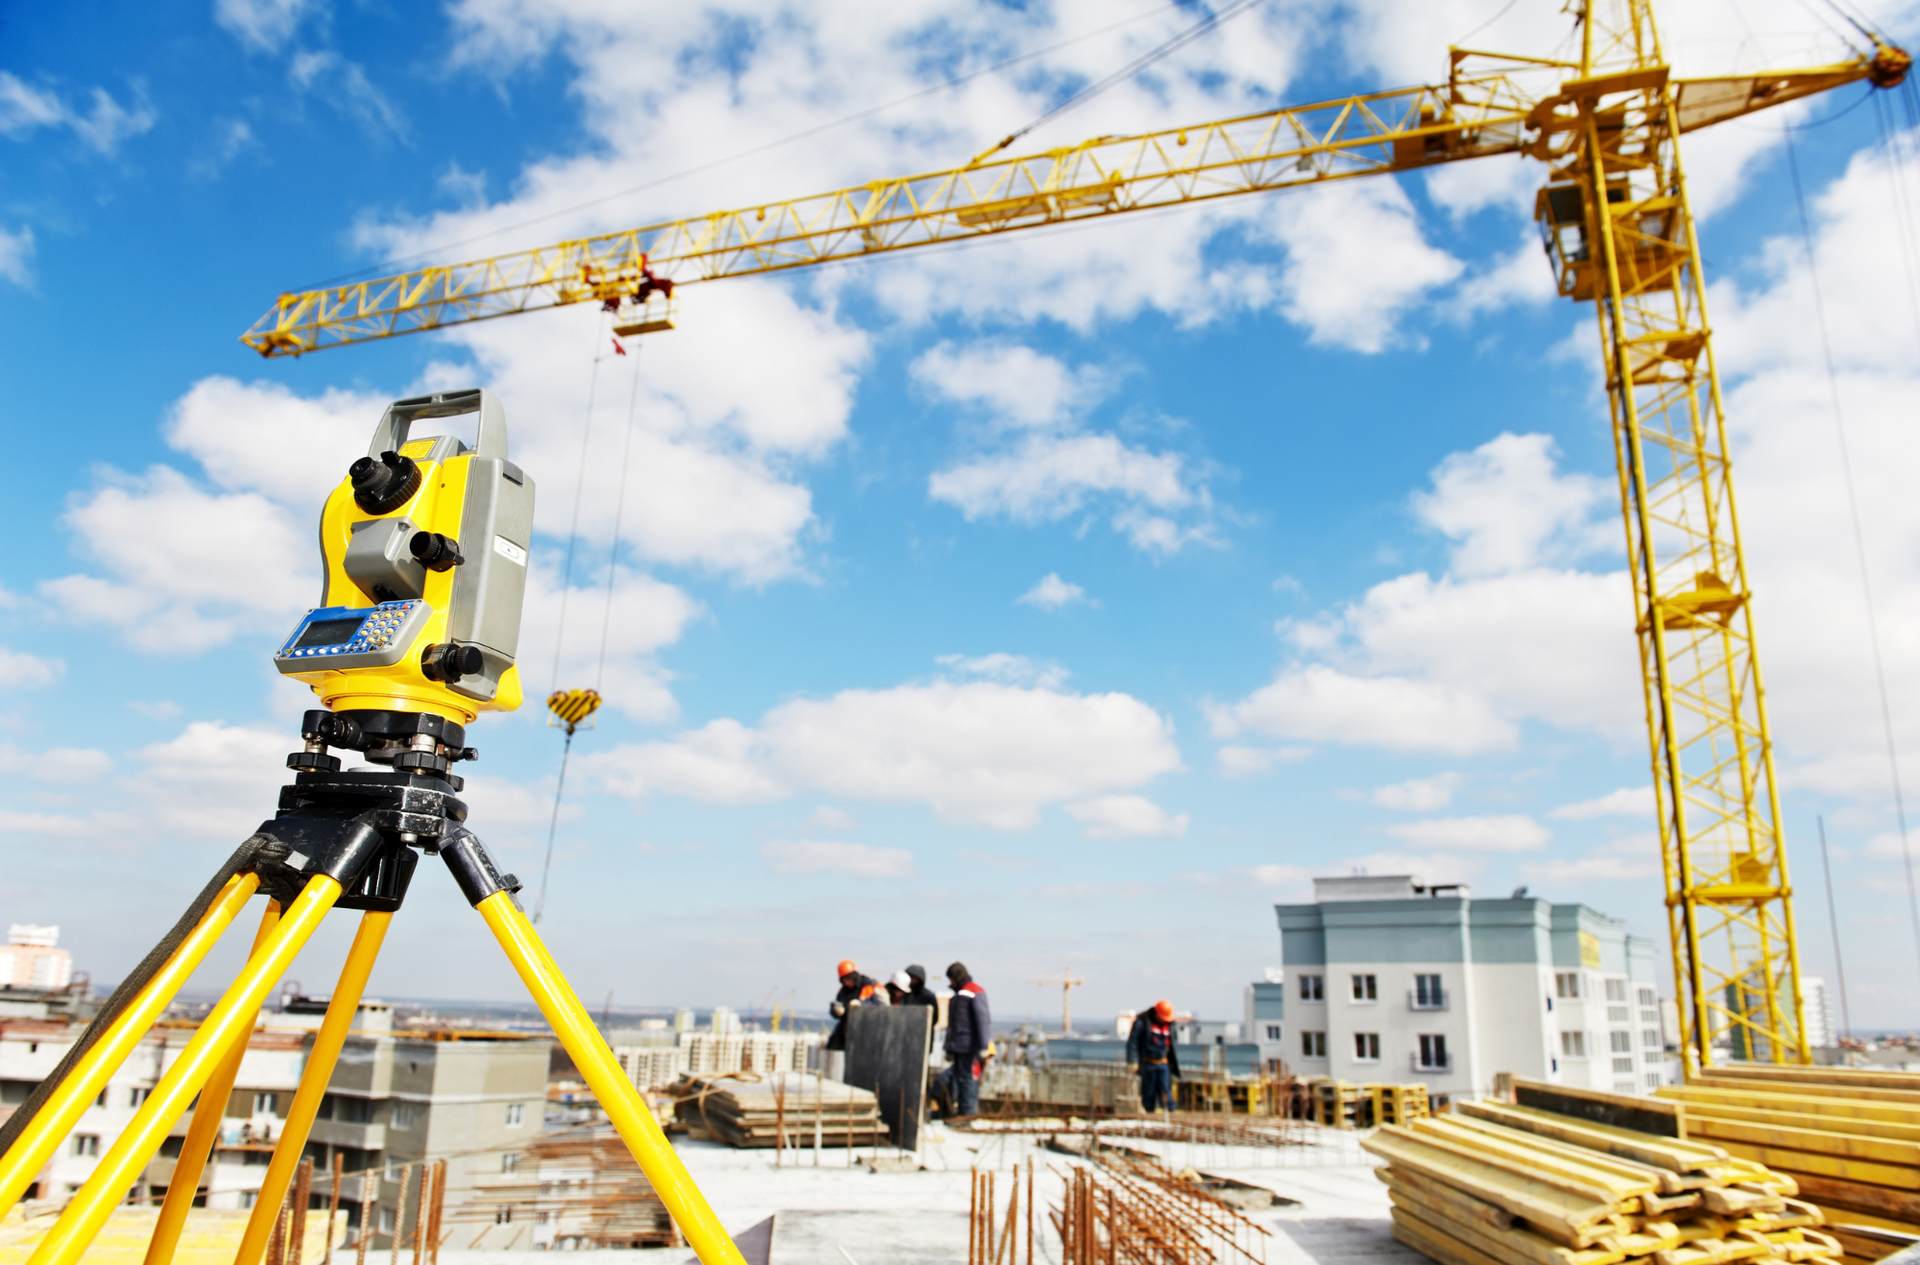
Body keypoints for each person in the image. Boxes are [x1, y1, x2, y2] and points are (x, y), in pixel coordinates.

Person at [942, 961, 991, 1117]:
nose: (950, 983)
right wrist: (949, 1047)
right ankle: (963, 1113)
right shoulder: (963, 993)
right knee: (960, 1079)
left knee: (967, 1079)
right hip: (959, 1046)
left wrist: (984, 1047)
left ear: (955, 977)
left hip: (968, 1047)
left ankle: (967, 1115)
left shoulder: (974, 992)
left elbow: (982, 1020)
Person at [1127, 999, 1181, 1114]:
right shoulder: (1142, 1023)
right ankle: (1149, 1110)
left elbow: (1173, 1044)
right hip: (1148, 1063)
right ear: (1156, 1013)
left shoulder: (1169, 1025)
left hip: (1163, 1062)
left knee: (1165, 1088)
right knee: (1149, 1090)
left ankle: (1170, 1109)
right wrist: (1133, 1061)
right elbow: (1132, 1042)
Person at [826, 959, 887, 1052]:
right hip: (849, 1029)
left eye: (848, 979)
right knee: (835, 1046)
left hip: (868, 1029)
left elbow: (880, 1006)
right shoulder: (843, 991)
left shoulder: (870, 986)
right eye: (844, 980)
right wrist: (836, 1011)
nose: (847, 983)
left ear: (854, 976)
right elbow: (836, 1005)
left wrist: (861, 1005)